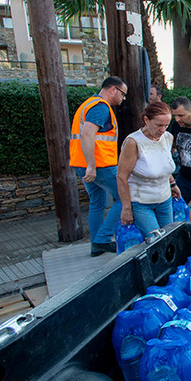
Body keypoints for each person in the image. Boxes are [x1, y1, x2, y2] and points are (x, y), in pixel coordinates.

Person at [69, 76, 126, 256]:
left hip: (81, 163)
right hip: (100, 165)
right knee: (125, 197)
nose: (123, 99)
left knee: (97, 202)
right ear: (113, 90)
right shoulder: (101, 107)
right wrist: (92, 166)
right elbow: (87, 135)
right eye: (123, 94)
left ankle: (95, 246)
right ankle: (102, 239)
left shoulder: (87, 104)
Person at [116, 101, 180, 239]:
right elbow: (122, 176)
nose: (162, 130)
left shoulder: (167, 137)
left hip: (164, 199)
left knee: (170, 238)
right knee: (156, 240)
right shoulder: (133, 142)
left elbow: (163, 164)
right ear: (146, 120)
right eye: (158, 125)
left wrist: (172, 184)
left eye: (166, 125)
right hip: (141, 202)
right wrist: (126, 208)